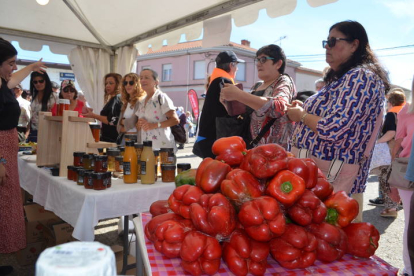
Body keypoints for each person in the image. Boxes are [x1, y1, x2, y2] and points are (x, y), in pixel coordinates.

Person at [287, 21, 390, 208]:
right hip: (323, 175)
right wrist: (305, 110)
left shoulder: (361, 76)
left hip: (330, 179)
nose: (327, 46)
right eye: (326, 41)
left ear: (354, 45)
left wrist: (302, 116)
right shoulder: (348, 77)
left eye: (333, 41)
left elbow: (333, 129)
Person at [0, 37, 46, 276]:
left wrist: (31, 67)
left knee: (4, 205)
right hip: (1, 151)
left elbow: (13, 80)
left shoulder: (2, 82)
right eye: (10, 63)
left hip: (7, 147)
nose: (13, 68)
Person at [220, 44, 296, 150]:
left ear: (278, 64)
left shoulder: (283, 81)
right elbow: (242, 115)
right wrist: (228, 103)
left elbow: (280, 107)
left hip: (275, 153)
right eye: (258, 60)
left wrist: (239, 95)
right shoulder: (257, 86)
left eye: (263, 59)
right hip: (252, 148)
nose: (258, 64)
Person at [194, 50, 244, 158]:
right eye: (236, 66)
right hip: (215, 141)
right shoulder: (224, 82)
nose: (237, 69)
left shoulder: (216, 81)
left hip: (207, 138)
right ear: (232, 65)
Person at [369, 88, 406, 218]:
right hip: (402, 150)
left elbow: (391, 133)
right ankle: (395, 205)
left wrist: (377, 142)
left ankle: (391, 209)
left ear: (390, 101)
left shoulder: (391, 114)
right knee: (396, 179)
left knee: (386, 179)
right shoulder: (405, 113)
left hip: (390, 151)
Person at [391, 77, 414, 276]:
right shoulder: (406, 110)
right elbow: (397, 145)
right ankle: (409, 268)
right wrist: (391, 179)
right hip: (407, 171)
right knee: (410, 224)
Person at [135, 68, 179, 151]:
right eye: (141, 78)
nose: (143, 80)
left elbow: (175, 120)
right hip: (146, 147)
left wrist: (154, 125)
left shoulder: (161, 97)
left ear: (156, 82)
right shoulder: (141, 101)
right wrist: (139, 124)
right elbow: (138, 126)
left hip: (162, 148)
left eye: (146, 77)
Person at [83, 73, 122, 143]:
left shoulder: (117, 99)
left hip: (112, 140)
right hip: (108, 138)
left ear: (118, 84)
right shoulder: (113, 99)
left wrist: (93, 115)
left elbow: (113, 120)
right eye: (106, 83)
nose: (107, 86)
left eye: (111, 83)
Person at [28, 71, 57, 142]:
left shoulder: (53, 96)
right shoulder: (34, 96)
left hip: (48, 131)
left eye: (41, 81)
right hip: (34, 131)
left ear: (46, 81)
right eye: (35, 82)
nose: (38, 84)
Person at [117, 73, 145, 144]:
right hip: (124, 138)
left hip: (136, 139)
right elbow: (118, 126)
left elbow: (133, 121)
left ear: (137, 84)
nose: (127, 85)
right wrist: (122, 123)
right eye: (125, 83)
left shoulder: (140, 101)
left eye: (131, 83)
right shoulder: (125, 103)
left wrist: (123, 122)